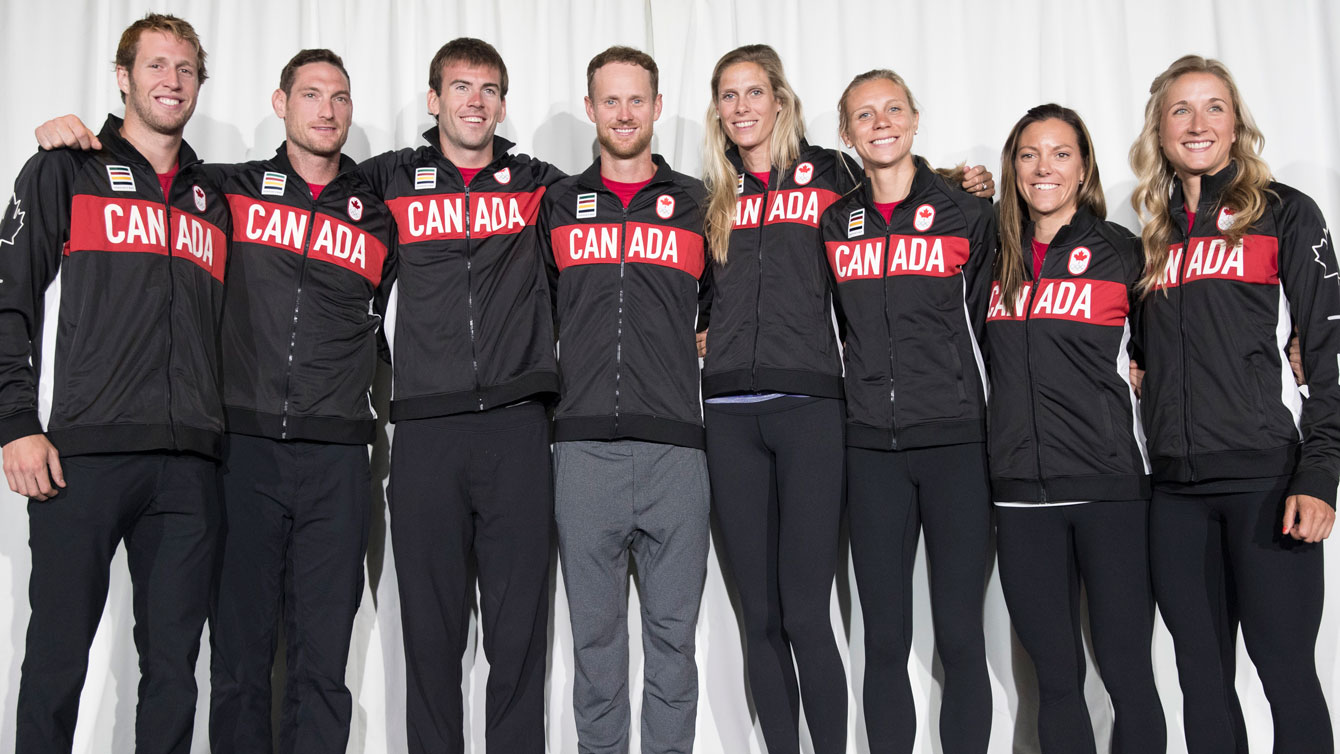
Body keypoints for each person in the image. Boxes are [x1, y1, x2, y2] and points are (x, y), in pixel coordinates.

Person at [697, 44, 993, 754]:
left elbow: (898, 191)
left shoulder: (831, 175)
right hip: (729, 415)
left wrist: (959, 178)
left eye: (755, 93)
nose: (743, 108)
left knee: (807, 611)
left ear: (781, 100)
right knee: (759, 616)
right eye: (729, 96)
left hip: (814, 409)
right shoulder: (705, 193)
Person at [0, 13, 230, 754]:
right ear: (124, 76)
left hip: (191, 463)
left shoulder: (214, 198)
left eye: (186, 69)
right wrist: (14, 422)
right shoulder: (64, 168)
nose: (173, 81)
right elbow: (10, 298)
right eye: (157, 66)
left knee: (174, 668)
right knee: (59, 658)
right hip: (82, 455)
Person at [355, 38, 564, 754]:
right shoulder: (387, 180)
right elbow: (297, 189)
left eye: (489, 89)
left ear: (503, 104)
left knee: (518, 639)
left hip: (517, 428)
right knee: (431, 637)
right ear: (433, 99)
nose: (475, 100)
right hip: (425, 432)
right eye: (461, 86)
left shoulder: (541, 185)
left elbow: (628, 225)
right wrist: (84, 144)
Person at [1130, 54, 1337, 754]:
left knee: (1285, 674)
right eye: (1180, 110)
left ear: (1237, 122)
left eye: (1214, 106)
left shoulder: (1286, 213)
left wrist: (1320, 475)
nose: (1197, 123)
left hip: (1266, 484)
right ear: (1159, 130)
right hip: (1175, 495)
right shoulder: (1151, 240)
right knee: (1203, 680)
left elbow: (1329, 355)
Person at [817, 68, 995, 754]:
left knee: (958, 633)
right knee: (884, 635)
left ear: (915, 120)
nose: (880, 122)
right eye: (864, 114)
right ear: (846, 133)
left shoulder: (966, 211)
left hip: (957, 445)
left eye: (893, 109)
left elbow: (1001, 326)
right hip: (870, 450)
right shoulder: (836, 222)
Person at [539, 46, 711, 754]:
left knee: (674, 647)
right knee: (596, 648)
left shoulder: (702, 202)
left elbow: (732, 305)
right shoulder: (554, 203)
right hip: (581, 451)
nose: (624, 113)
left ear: (658, 106)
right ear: (590, 108)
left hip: (676, 449)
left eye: (636, 99)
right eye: (610, 100)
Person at [986, 103, 1165, 753]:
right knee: (1056, 682)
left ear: (1084, 166)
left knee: (1127, 675)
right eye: (1030, 153)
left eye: (1061, 153)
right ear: (1013, 165)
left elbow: (1166, 352)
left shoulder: (1122, 251)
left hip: (1110, 493)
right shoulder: (992, 254)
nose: (1044, 167)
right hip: (1020, 496)